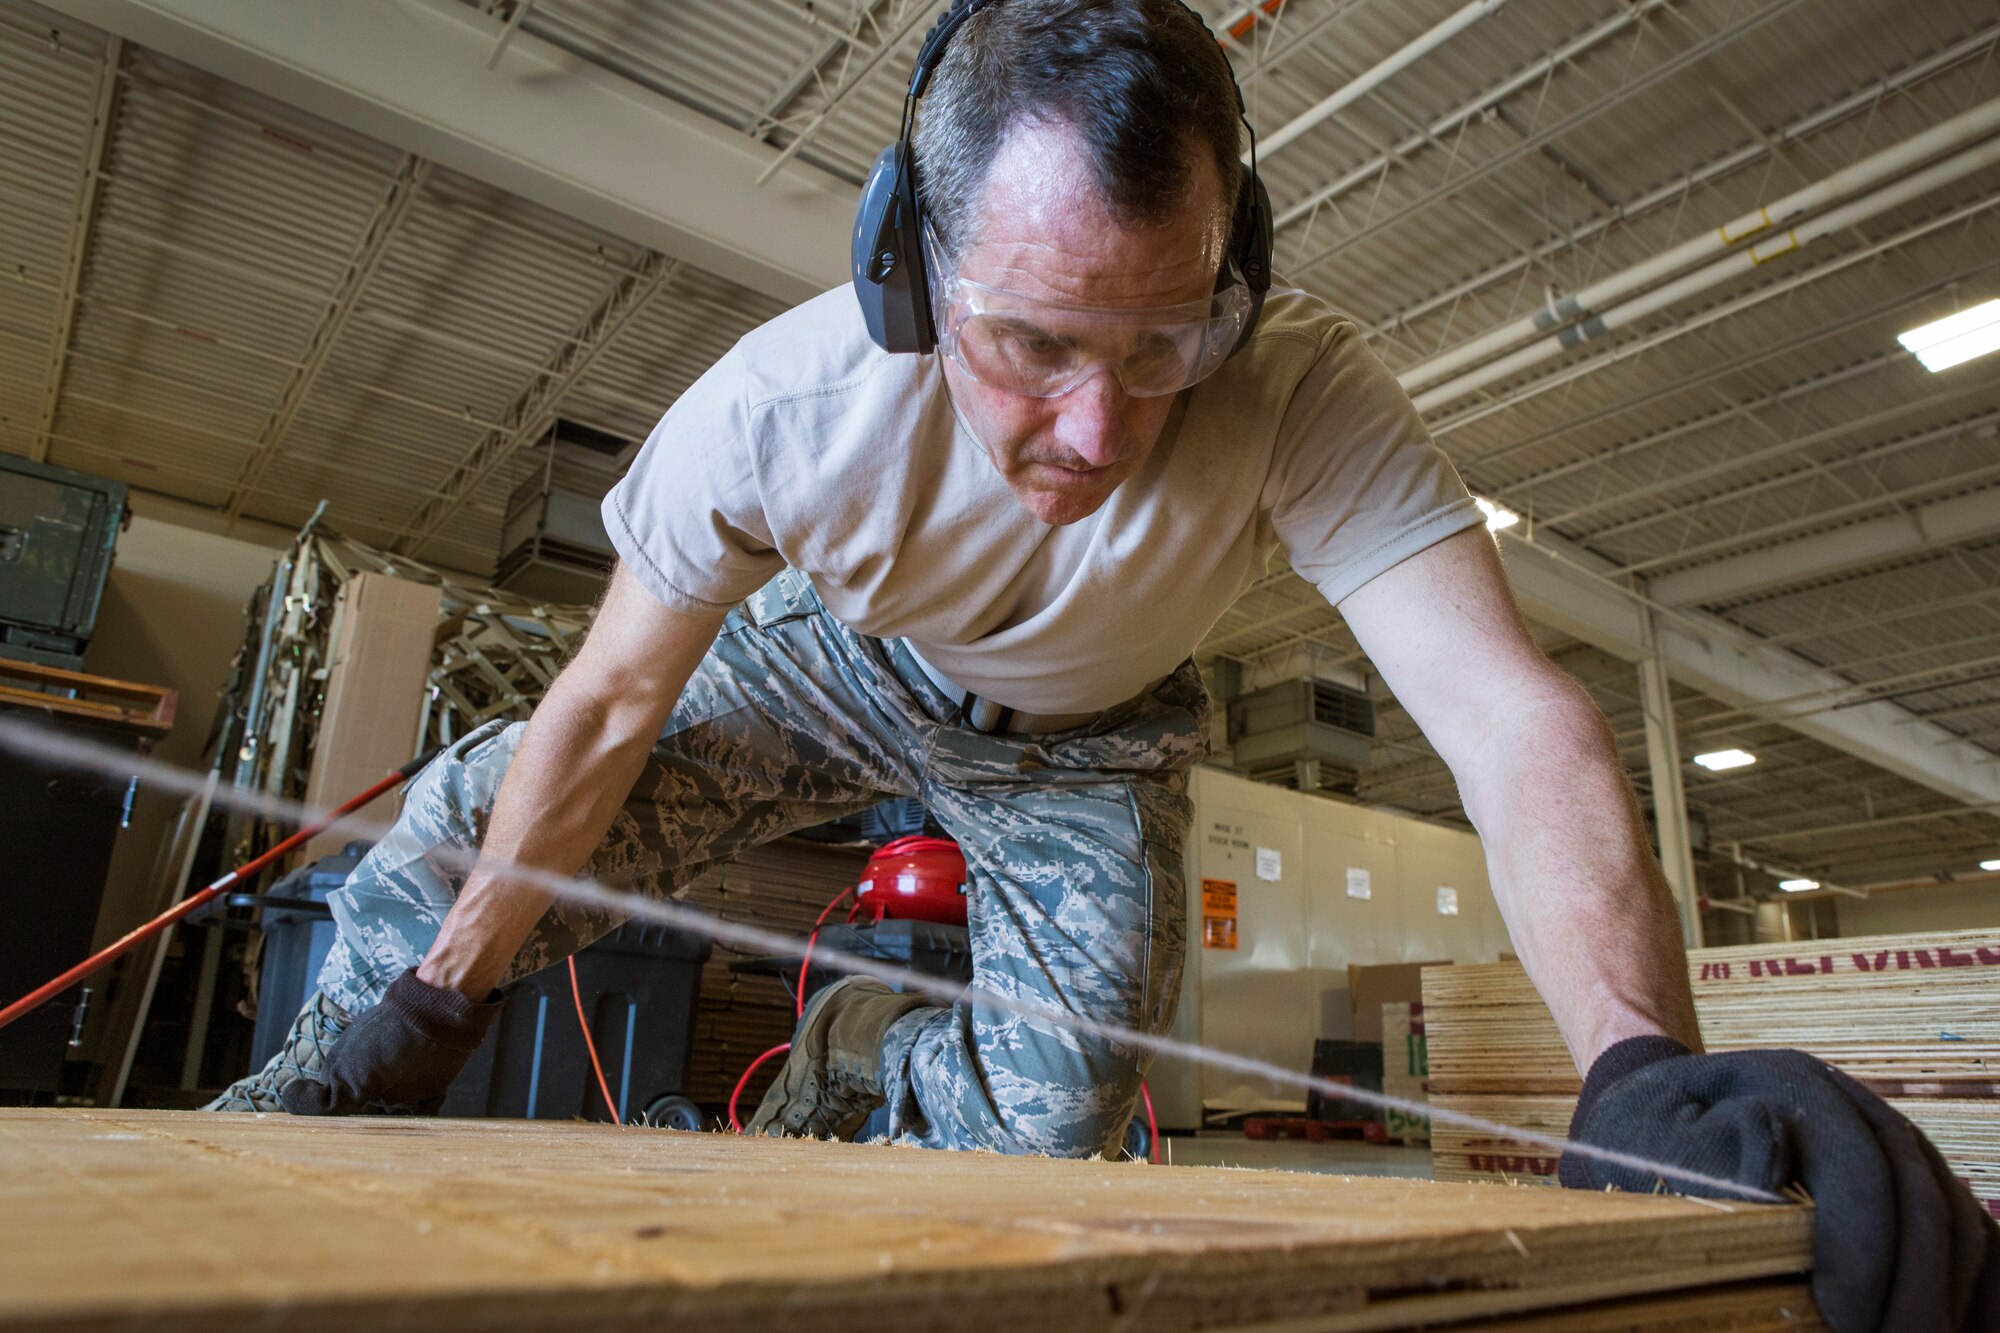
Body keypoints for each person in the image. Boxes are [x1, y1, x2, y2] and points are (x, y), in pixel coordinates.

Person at [210, 2, 1992, 1328]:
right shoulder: (781, 411)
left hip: (1086, 738)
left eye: (1162, 345)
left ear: (1235, 273)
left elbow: (1505, 714)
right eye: (1035, 343)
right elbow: (604, 703)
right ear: (909, 268)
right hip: (844, 667)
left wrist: (1639, 1075)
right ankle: (284, 1113)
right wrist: (445, 994)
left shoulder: (1301, 389)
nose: (1096, 427)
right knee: (457, 829)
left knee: (1058, 1104)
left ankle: (864, 1064)